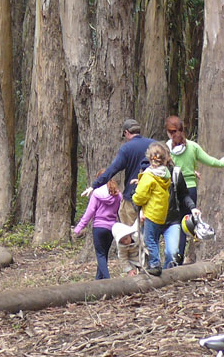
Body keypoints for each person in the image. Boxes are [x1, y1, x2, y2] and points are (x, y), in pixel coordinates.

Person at [83, 118, 154, 270]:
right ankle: (152, 264)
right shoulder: (153, 145)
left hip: (131, 197)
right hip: (151, 198)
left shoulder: (127, 149)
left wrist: (95, 185)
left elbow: (112, 169)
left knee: (131, 234)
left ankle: (137, 268)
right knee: (149, 234)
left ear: (127, 133)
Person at [165, 115, 224, 259]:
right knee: (185, 223)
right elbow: (210, 161)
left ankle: (171, 255)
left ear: (168, 132)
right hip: (189, 191)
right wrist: (222, 162)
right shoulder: (192, 147)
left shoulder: (165, 149)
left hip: (171, 190)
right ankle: (179, 255)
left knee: (173, 224)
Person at [72, 172, 123, 280]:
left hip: (99, 228)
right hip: (111, 229)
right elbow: (120, 212)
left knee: (100, 255)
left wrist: (78, 228)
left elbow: (89, 213)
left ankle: (108, 280)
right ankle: (98, 281)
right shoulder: (118, 194)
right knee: (104, 256)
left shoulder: (96, 193)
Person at [132, 142, 172, 277]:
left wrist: (135, 199)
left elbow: (141, 195)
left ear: (150, 158)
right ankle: (151, 263)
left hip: (151, 212)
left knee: (149, 240)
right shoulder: (165, 175)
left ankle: (155, 264)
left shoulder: (149, 176)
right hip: (160, 213)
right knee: (154, 239)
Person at [161, 156, 199, 269]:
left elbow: (183, 195)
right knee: (151, 253)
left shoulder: (175, 173)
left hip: (172, 217)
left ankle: (167, 272)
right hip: (152, 218)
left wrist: (192, 207)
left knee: (172, 253)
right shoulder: (148, 174)